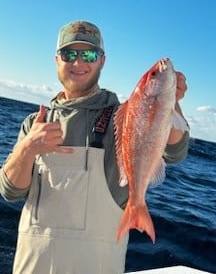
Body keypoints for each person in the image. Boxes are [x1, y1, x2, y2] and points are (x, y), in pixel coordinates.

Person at [0, 20, 189, 274]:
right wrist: (27, 150)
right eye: (69, 54)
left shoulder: (120, 117)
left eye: (88, 54)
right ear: (57, 60)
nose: (78, 63)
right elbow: (10, 191)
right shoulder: (35, 122)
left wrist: (171, 103)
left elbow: (175, 152)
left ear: (102, 61)